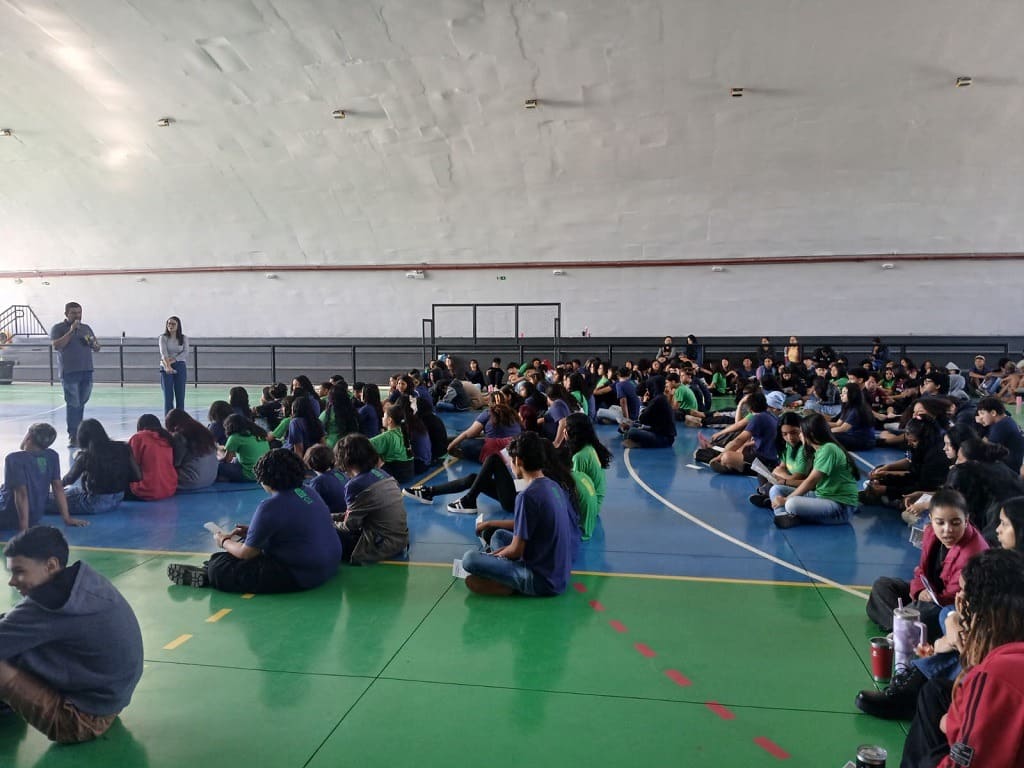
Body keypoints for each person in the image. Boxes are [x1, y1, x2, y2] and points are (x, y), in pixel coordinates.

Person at [0, 526, 143, 743]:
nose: (12, 581)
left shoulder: (48, 605)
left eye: (19, 571)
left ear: (51, 565)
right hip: (108, 702)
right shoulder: (80, 583)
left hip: (79, 720)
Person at [899, 548, 1024, 768]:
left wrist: (954, 723)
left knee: (929, 760)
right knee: (936, 693)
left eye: (964, 593)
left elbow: (967, 764)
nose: (958, 599)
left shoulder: (994, 674)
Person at [167, 449, 341, 592]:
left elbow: (246, 553)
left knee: (220, 564)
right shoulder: (306, 492)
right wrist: (253, 530)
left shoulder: (270, 506)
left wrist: (224, 540)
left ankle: (208, 573)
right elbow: (296, 523)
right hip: (329, 564)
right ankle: (207, 570)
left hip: (300, 574)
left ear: (265, 480)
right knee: (240, 548)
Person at [460, 432, 579, 596]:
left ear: (518, 461)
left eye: (510, 461)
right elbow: (530, 525)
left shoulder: (527, 496)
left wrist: (495, 557)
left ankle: (514, 585)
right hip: (559, 572)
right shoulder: (553, 485)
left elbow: (515, 550)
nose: (509, 465)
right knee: (499, 536)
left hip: (542, 580)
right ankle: (504, 577)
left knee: (469, 560)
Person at [866, 489, 987, 640]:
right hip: (930, 595)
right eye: (940, 522)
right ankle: (904, 629)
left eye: (955, 523)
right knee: (882, 586)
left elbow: (954, 598)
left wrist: (927, 599)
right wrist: (919, 590)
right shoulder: (930, 533)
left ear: (966, 520)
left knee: (921, 612)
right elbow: (921, 571)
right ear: (931, 518)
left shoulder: (973, 553)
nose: (947, 530)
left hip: (951, 608)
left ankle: (903, 628)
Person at [767, 412, 860, 528]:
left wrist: (786, 500)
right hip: (822, 496)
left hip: (840, 507)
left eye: (800, 432)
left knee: (791, 504)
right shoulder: (819, 450)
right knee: (776, 489)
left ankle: (788, 513)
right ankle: (784, 516)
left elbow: (811, 481)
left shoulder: (828, 449)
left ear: (810, 434)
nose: (799, 436)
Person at [334, 434, 409, 564]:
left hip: (380, 546)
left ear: (344, 461)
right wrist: (330, 516)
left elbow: (350, 526)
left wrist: (326, 522)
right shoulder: (382, 473)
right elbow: (356, 513)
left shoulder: (354, 485)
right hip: (401, 540)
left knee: (322, 530)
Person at [0, 423, 86, 531]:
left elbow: (21, 495)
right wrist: (67, 518)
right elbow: (58, 488)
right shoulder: (52, 456)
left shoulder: (15, 459)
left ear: (28, 437)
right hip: (35, 515)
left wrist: (24, 529)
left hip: (10, 513)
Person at [61, 419, 141, 515]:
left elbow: (69, 479)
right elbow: (138, 476)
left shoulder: (86, 455)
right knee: (72, 491)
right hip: (118, 498)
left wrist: (56, 486)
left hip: (95, 503)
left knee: (48, 500)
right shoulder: (123, 447)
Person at [49, 302, 100, 446]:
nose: (77, 316)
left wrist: (94, 345)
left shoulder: (86, 328)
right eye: (74, 313)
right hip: (70, 372)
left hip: (86, 370)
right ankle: (73, 435)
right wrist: (71, 331)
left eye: (79, 312)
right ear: (66, 314)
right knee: (73, 404)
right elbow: (57, 345)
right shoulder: (58, 328)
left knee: (82, 402)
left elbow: (96, 346)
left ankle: (80, 432)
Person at [564, 412, 611, 539]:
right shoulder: (589, 447)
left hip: (593, 504)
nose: (563, 431)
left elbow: (577, 488)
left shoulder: (580, 456)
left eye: (566, 428)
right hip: (597, 498)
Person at [164, 409, 219, 490]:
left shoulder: (179, 435)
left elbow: (176, 462)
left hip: (191, 480)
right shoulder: (204, 431)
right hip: (211, 478)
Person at [127, 414, 178, 501]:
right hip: (169, 487)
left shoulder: (138, 438)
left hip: (146, 490)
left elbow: (130, 465)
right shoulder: (167, 438)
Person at [975, 396, 1024, 473]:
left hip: (1010, 470)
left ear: (993, 413)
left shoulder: (1000, 427)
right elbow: (985, 441)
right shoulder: (1004, 420)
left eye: (982, 413)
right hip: (1013, 464)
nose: (980, 417)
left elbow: (985, 451)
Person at [304, 444, 348, 515]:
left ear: (310, 464)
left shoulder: (317, 482)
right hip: (347, 513)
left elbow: (310, 504)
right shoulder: (340, 473)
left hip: (334, 518)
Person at [158, 315, 188, 415]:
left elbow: (185, 352)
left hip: (179, 365)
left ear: (178, 326)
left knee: (180, 394)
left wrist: (174, 360)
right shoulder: (163, 338)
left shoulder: (183, 338)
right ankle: (168, 418)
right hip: (166, 365)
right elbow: (164, 353)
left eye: (173, 324)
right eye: (169, 324)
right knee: (168, 395)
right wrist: (167, 365)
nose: (170, 326)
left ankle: (180, 418)